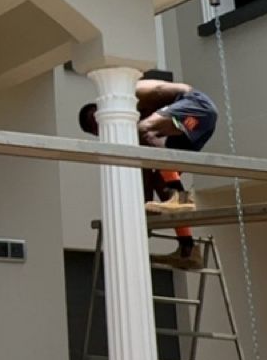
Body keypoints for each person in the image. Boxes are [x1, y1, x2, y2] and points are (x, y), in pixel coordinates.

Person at [78, 72, 218, 271]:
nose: (103, 128)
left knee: (143, 130)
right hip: (191, 125)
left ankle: (181, 197)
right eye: (97, 131)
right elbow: (145, 168)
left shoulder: (127, 95)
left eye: (97, 122)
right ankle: (188, 249)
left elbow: (149, 125)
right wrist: (144, 212)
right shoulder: (139, 123)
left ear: (99, 110)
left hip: (195, 106)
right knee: (160, 179)